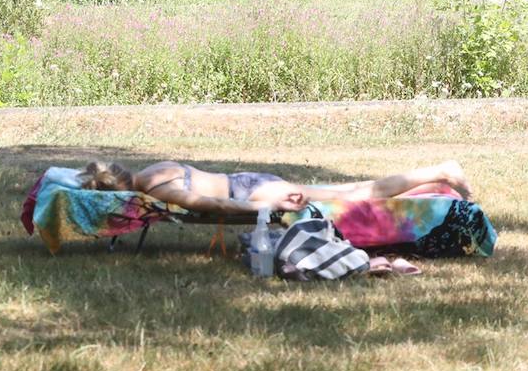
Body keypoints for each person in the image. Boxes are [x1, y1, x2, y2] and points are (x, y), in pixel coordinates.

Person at [82, 159, 472, 216]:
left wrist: (266, 209)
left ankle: (439, 172)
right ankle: (432, 179)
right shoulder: (155, 169)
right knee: (351, 189)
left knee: (355, 194)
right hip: (248, 181)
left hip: (252, 194)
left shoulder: (159, 189)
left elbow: (210, 205)